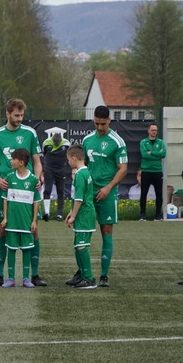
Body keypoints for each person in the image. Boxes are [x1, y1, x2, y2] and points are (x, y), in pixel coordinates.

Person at [0, 98, 47, 287]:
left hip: (27, 191)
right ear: (7, 114)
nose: (20, 119)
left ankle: (34, 275)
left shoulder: (30, 133)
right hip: (6, 190)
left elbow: (36, 161)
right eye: (16, 115)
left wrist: (38, 178)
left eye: (22, 115)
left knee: (33, 230)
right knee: (2, 229)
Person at [81, 105, 128, 287]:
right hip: (89, 193)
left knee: (106, 232)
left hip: (107, 193)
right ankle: (82, 272)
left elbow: (123, 169)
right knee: (83, 231)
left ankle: (104, 275)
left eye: (103, 124)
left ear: (109, 120)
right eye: (96, 123)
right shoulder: (87, 140)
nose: (99, 127)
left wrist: (108, 187)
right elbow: (83, 165)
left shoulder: (117, 142)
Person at [0, 148, 41, 288]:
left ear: (21, 162)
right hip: (12, 222)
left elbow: (36, 201)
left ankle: (26, 278)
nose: (11, 161)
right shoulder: (10, 177)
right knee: (11, 249)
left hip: (26, 223)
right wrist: (5, 218)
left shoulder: (33, 179)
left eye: (13, 159)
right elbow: (5, 199)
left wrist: (34, 220)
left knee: (26, 250)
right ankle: (10, 278)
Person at [64, 145, 98, 289]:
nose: (68, 163)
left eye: (68, 160)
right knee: (77, 245)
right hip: (83, 214)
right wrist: (71, 212)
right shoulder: (85, 172)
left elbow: (79, 199)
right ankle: (82, 274)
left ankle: (89, 279)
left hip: (84, 215)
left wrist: (73, 216)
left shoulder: (80, 175)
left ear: (73, 158)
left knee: (81, 246)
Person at [40, 127, 71, 222]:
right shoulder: (46, 143)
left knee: (60, 191)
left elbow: (69, 154)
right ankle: (47, 213)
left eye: (58, 144)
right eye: (55, 143)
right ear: (52, 141)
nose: (56, 145)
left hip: (61, 169)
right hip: (49, 168)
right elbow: (44, 153)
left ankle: (59, 214)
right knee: (47, 190)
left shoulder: (66, 144)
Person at [138, 122, 166, 221]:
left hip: (157, 171)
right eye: (152, 130)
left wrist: (152, 152)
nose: (154, 132)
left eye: (156, 130)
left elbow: (163, 154)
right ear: (148, 131)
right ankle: (142, 215)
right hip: (146, 171)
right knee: (143, 193)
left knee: (159, 194)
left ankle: (158, 215)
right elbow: (144, 155)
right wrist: (157, 154)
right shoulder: (143, 142)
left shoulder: (161, 142)